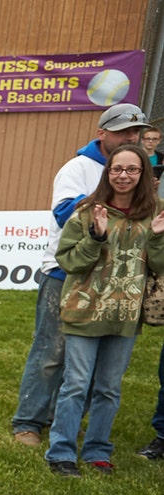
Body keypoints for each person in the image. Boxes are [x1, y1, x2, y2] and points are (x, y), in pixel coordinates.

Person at [10, 103, 149, 449]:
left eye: (135, 132)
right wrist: (111, 198)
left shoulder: (138, 173)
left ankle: (65, 421)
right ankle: (28, 421)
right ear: (102, 133)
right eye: (123, 132)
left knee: (92, 361)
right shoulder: (79, 167)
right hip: (64, 272)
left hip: (113, 281)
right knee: (51, 352)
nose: (131, 137)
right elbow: (62, 214)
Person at [45, 145, 164, 477]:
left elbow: (160, 264)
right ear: (107, 172)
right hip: (85, 311)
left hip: (126, 314)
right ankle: (62, 452)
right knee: (76, 384)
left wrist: (156, 238)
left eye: (132, 170)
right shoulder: (86, 211)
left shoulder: (156, 212)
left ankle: (98, 451)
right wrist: (96, 236)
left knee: (109, 387)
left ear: (144, 175)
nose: (123, 175)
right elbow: (68, 261)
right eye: (117, 169)